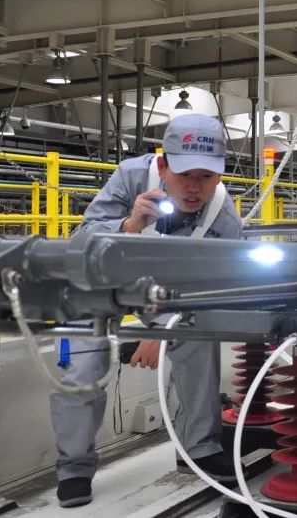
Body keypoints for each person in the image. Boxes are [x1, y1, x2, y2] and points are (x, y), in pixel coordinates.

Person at [50, 113, 242, 508]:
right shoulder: (130, 178)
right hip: (98, 283)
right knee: (83, 367)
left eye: (206, 176)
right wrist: (128, 224)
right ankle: (74, 468)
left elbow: (221, 286)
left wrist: (166, 329)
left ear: (220, 175)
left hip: (163, 292)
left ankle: (200, 447)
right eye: (185, 175)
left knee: (198, 340)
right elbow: (80, 241)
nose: (194, 187)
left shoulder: (222, 215)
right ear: (164, 164)